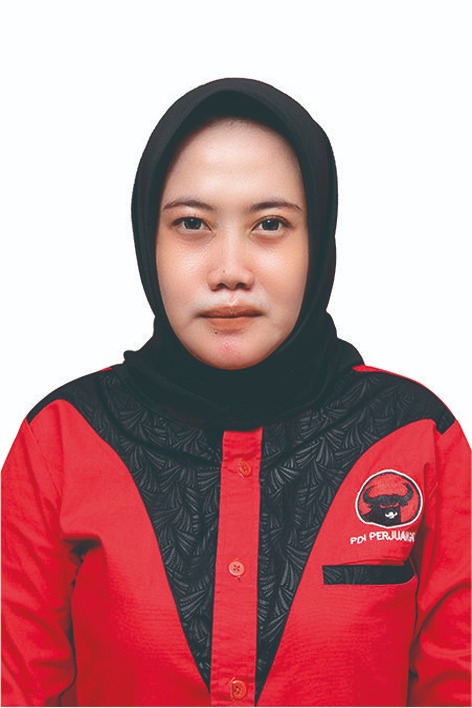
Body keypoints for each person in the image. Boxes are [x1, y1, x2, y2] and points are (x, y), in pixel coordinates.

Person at [1, 78, 470, 707]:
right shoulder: (63, 441)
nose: (229, 271)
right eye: (191, 224)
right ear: (148, 239)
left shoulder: (415, 439)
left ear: (318, 240)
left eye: (270, 224)